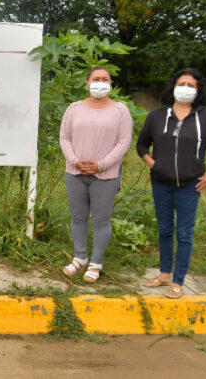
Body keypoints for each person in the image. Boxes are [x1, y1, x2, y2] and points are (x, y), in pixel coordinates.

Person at [137, 68, 206, 299]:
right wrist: (154, 165)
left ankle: (178, 281)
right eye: (182, 83)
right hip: (161, 183)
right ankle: (164, 274)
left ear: (198, 90)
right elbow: (141, 145)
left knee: (184, 232)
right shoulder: (157, 115)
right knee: (165, 229)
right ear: (173, 86)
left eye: (191, 85)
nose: (186, 88)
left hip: (191, 186)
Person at [59, 67, 133, 283]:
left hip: (106, 175)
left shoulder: (120, 111)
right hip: (75, 172)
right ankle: (80, 256)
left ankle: (96, 262)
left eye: (105, 79)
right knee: (78, 217)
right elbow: (65, 137)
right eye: (96, 79)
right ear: (87, 83)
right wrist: (74, 161)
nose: (100, 82)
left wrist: (102, 164)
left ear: (110, 83)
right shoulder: (74, 109)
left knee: (101, 220)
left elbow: (124, 141)